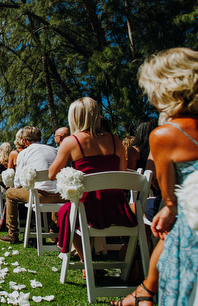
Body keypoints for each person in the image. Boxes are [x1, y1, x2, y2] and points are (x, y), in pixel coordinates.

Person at [111, 47, 198, 306]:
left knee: (171, 235)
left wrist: (169, 210)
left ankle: (146, 294)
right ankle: (143, 293)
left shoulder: (166, 135)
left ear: (165, 88)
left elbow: (171, 201)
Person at [49, 97, 136, 267]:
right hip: (116, 206)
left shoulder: (70, 142)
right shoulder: (115, 140)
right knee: (69, 212)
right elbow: (123, 174)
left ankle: (86, 261)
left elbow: (52, 174)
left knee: (64, 214)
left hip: (88, 206)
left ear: (74, 117)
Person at [0, 126, 61, 244]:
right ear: (40, 138)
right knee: (54, 188)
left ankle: (12, 233)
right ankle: (54, 233)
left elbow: (18, 182)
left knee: (10, 193)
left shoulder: (24, 153)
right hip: (60, 196)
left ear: (25, 141)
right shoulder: (54, 150)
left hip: (39, 196)